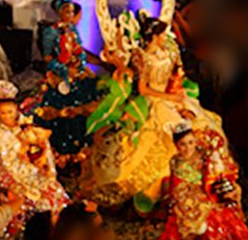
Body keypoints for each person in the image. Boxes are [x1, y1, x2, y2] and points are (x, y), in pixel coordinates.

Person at [89, 16, 231, 205]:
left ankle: (207, 180)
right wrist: (168, 97)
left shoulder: (168, 50)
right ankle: (164, 190)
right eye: (162, 34)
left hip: (173, 96)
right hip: (156, 100)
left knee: (203, 123)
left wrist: (177, 86)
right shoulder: (143, 57)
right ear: (154, 36)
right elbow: (143, 89)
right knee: (170, 134)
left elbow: (176, 73)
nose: (165, 37)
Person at [33, 0, 99, 166]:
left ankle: (79, 153)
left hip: (76, 74)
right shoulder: (50, 31)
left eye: (72, 11)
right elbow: (47, 58)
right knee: (60, 115)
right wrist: (64, 70)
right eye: (66, 11)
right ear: (59, 11)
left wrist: (80, 65)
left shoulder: (72, 29)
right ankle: (60, 155)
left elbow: (78, 50)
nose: (70, 15)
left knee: (81, 111)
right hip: (59, 77)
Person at [0, 80, 69, 215]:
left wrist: (44, 158)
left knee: (51, 189)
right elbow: (7, 157)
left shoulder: (27, 122)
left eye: (10, 112)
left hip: (37, 163)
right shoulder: (0, 131)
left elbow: (43, 142)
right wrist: (25, 159)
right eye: (3, 113)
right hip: (15, 168)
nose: (7, 116)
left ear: (16, 109)